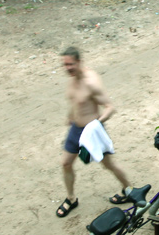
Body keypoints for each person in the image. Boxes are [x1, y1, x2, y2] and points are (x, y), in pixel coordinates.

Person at [57, 47, 134, 217]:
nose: (68, 68)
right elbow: (76, 102)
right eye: (65, 64)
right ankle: (71, 199)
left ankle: (129, 191)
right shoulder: (71, 80)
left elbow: (110, 108)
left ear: (79, 62)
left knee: (108, 164)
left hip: (91, 132)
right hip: (76, 129)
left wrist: (95, 124)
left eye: (71, 64)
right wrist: (70, 116)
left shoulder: (91, 82)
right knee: (66, 163)